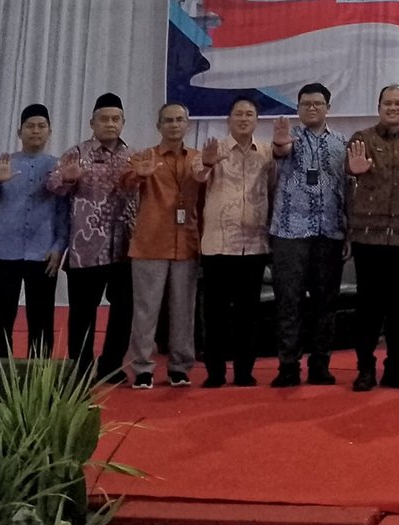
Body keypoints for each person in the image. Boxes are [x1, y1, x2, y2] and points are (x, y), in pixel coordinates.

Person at [346, 84, 399, 391]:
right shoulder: (361, 139)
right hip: (367, 238)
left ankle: (394, 368)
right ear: (379, 107)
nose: (393, 108)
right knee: (367, 308)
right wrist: (353, 171)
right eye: (387, 103)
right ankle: (365, 369)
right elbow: (346, 173)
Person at [48, 93, 137, 382]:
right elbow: (52, 185)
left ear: (123, 122)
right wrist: (69, 178)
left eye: (116, 119)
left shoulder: (133, 156)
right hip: (85, 250)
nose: (110, 124)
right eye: (104, 119)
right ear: (92, 123)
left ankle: (111, 367)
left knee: (123, 312)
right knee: (82, 314)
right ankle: (81, 370)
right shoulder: (76, 153)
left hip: (124, 248)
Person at [192, 97, 276, 387]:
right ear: (228, 119)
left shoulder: (266, 153)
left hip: (254, 245)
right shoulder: (212, 149)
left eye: (249, 114)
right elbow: (197, 176)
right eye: (238, 114)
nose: (243, 118)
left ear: (256, 120)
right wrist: (207, 162)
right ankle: (215, 372)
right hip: (218, 244)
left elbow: (273, 189)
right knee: (215, 313)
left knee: (248, 314)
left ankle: (244, 371)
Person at [269, 82, 348, 388]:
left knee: (325, 304)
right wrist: (279, 145)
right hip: (290, 233)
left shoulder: (342, 143)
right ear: (298, 108)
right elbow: (280, 151)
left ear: (328, 108)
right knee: (289, 302)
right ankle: (288, 366)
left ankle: (320, 365)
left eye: (317, 104)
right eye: (305, 104)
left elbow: (347, 190)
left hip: (330, 232)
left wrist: (349, 232)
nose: (311, 108)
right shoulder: (288, 138)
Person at [0, 104, 68, 358]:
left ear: (49, 132)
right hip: (5, 253)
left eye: (41, 126)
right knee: (0, 319)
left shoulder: (57, 167)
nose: (35, 131)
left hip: (43, 254)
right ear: (19, 132)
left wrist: (59, 247)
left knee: (42, 320)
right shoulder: (4, 162)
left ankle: (38, 375)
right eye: (30, 126)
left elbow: (64, 212)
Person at [122, 103, 202, 389]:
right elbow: (125, 185)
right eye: (168, 120)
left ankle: (180, 367)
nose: (174, 125)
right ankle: (142, 367)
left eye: (180, 120)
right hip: (150, 242)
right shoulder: (145, 157)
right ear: (159, 126)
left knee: (184, 310)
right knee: (145, 310)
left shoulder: (198, 159)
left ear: (188, 125)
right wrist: (140, 175)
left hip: (187, 242)